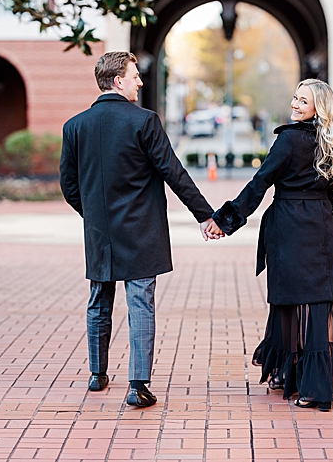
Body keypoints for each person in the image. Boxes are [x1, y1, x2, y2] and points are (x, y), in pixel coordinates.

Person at [60, 51, 223, 408]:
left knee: (98, 300)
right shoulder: (144, 121)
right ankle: (138, 386)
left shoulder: (74, 126)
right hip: (142, 230)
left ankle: (97, 374)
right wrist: (205, 215)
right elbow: (173, 173)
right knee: (140, 304)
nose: (140, 81)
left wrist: (95, 218)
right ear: (118, 80)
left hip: (100, 232)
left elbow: (69, 186)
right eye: (135, 76)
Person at [212, 78, 333, 411]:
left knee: (292, 300)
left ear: (318, 107)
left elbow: (260, 183)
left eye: (303, 101)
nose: (295, 105)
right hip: (320, 229)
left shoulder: (288, 140)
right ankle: (307, 379)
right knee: (317, 303)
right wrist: (316, 207)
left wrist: (225, 220)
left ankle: (308, 386)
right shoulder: (328, 140)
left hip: (290, 228)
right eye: (295, 98)